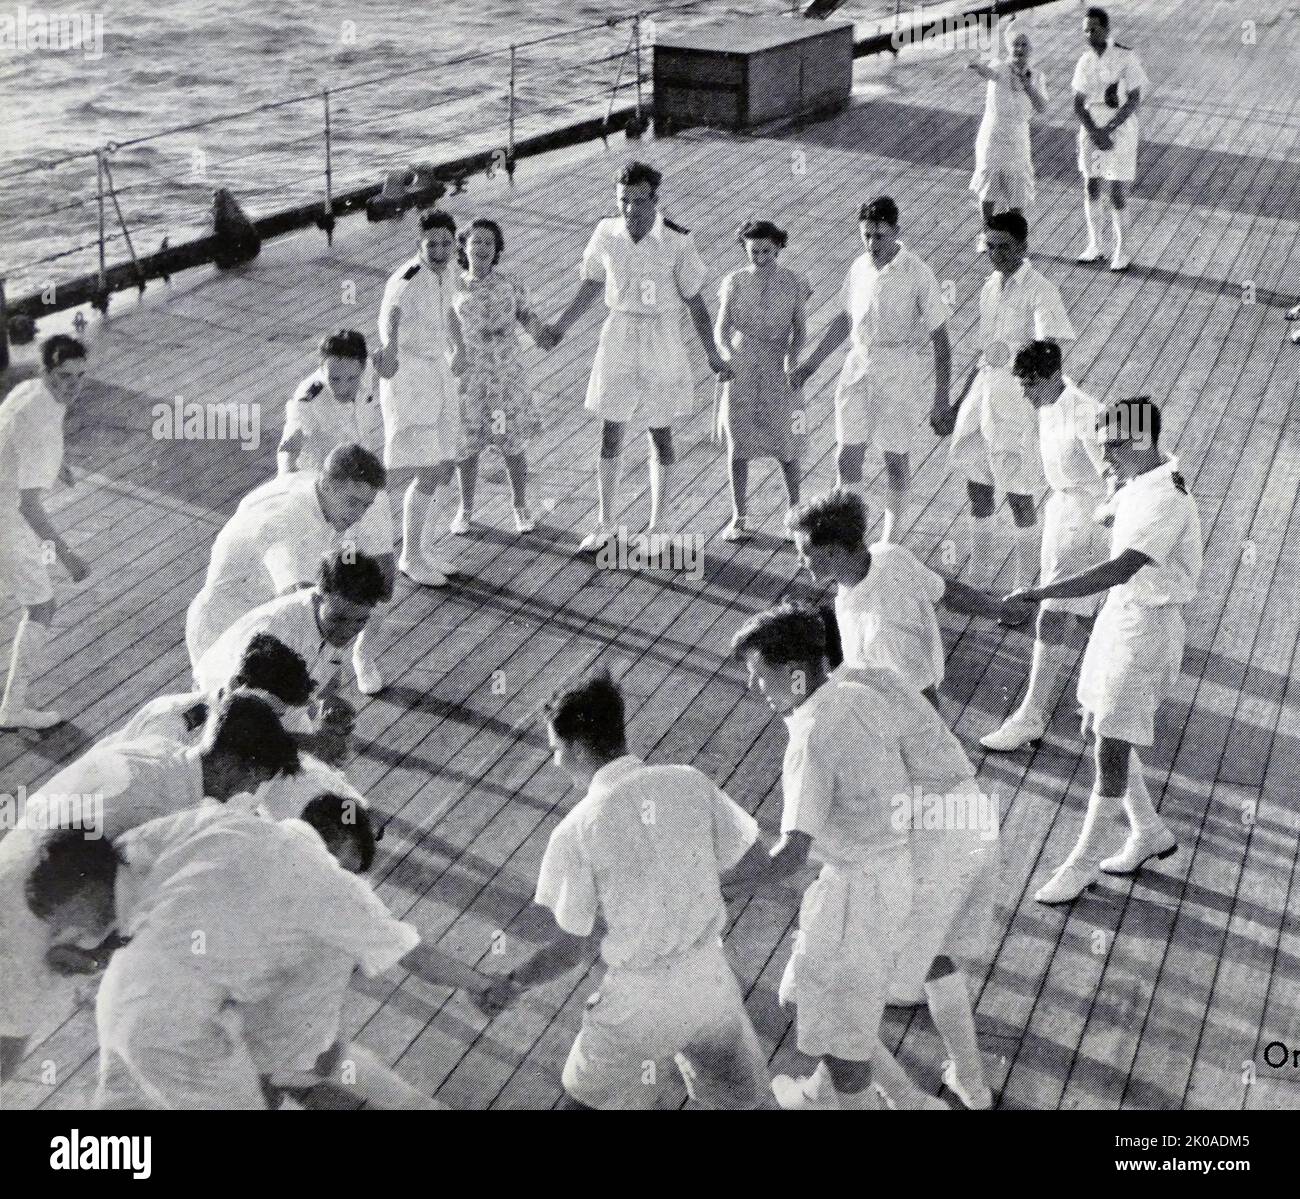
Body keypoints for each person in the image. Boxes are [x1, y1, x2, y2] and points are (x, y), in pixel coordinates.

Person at [473, 671, 770, 1110]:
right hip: (711, 984)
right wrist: (695, 888)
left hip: (637, 1007)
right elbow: (758, 864)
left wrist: (513, 983)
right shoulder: (688, 781)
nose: (555, 762)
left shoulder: (574, 832)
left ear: (575, 747)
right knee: (750, 1106)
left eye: (556, 750)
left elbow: (573, 948)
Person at [94, 798, 494, 1109]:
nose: (353, 875)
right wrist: (482, 985)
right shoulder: (333, 884)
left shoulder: (222, 820)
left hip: (117, 990)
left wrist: (96, 940)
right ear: (340, 842)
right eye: (353, 864)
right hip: (180, 1032)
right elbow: (414, 955)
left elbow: (124, 853)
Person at [0, 693, 300, 1080]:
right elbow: (104, 900)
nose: (244, 792)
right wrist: (88, 955)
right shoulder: (156, 814)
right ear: (227, 763)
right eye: (248, 780)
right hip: (30, 921)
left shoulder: (154, 752)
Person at [723, 602, 926, 1111]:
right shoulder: (860, 695)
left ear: (794, 676)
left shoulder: (810, 739)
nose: (753, 687)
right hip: (894, 874)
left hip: (855, 899)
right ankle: (887, 1096)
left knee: (842, 1039)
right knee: (805, 997)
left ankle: (887, 1103)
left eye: (758, 674)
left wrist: (713, 887)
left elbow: (791, 856)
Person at [1006, 398, 1202, 904]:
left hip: (1147, 630)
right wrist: (1112, 498)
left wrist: (1043, 593)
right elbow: (1107, 515)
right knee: (1098, 727)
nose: (1104, 458)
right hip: (1120, 618)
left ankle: (1080, 864)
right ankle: (1148, 832)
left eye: (1112, 446)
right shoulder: (1143, 479)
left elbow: (1117, 570)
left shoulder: (1168, 500)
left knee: (1109, 747)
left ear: (1138, 441)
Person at [820, 605, 997, 1110]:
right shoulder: (880, 678)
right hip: (972, 819)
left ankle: (913, 1102)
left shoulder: (838, 715)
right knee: (936, 957)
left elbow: (875, 812)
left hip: (928, 847)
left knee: (817, 992)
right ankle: (974, 1085)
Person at [543, 161, 733, 550]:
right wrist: (560, 326)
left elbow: (695, 302)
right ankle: (605, 523)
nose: (630, 209)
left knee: (658, 431)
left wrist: (712, 354)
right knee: (610, 428)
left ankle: (659, 526)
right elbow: (591, 284)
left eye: (639, 201)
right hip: (618, 335)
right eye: (623, 200)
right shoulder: (605, 232)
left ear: (655, 200)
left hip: (661, 336)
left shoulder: (678, 241)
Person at [789, 198, 951, 544]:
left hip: (898, 371)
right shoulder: (858, 267)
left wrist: (941, 400)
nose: (872, 244)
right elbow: (844, 319)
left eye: (879, 236)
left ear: (896, 231)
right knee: (847, 453)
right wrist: (810, 366)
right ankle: (850, 538)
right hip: (857, 367)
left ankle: (891, 540)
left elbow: (941, 339)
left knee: (894, 457)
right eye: (866, 236)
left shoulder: (918, 273)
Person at [787, 488, 1028, 710]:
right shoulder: (888, 555)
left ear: (833, 552)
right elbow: (948, 593)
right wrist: (1005, 610)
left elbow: (925, 705)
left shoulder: (885, 630)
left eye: (804, 552)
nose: (798, 560)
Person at [982, 341, 1111, 751]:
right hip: (1062, 515)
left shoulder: (1088, 413)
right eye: (1022, 384)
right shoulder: (1046, 407)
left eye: (1031, 383)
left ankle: (1031, 716)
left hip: (1086, 525)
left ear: (1054, 375)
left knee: (1052, 616)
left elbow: (1113, 475)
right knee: (1092, 616)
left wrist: (1108, 523)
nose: (1025, 393)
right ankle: (1105, 696)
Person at [186, 443, 394, 694]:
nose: (359, 515)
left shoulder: (326, 497)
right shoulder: (290, 523)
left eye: (366, 505)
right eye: (353, 503)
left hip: (266, 616)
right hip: (225, 627)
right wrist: (329, 668)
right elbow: (300, 603)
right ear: (327, 485)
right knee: (233, 717)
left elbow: (345, 568)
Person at [943, 210, 1075, 590]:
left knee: (1020, 496)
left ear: (1023, 247)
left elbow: (1049, 353)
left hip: (1018, 403)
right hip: (983, 397)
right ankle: (980, 578)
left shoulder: (1042, 290)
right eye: (991, 247)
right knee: (977, 484)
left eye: (1005, 247)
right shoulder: (988, 288)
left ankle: (1023, 589)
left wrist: (1037, 400)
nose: (996, 254)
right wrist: (956, 403)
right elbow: (987, 352)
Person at [0, 335, 90, 729]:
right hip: (7, 520)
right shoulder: (43, 422)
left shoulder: (28, 391)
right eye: (63, 377)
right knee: (41, 606)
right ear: (46, 372)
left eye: (79, 377)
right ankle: (12, 709)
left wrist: (58, 465)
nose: (71, 387)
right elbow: (29, 507)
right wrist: (67, 557)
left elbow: (14, 442)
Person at [448, 217, 554, 536]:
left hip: (505, 374)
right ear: (464, 248)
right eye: (475, 241)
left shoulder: (509, 281)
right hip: (471, 378)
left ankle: (520, 509)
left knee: (510, 442)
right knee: (468, 447)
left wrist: (542, 333)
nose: (481, 247)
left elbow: (526, 314)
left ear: (496, 250)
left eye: (488, 243)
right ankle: (465, 509)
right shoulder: (452, 286)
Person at [377, 208, 464, 587]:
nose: (440, 250)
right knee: (424, 466)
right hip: (410, 374)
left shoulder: (450, 270)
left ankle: (422, 548)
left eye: (446, 242)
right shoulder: (407, 278)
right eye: (432, 244)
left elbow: (450, 312)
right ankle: (409, 556)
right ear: (419, 244)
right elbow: (390, 317)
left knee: (442, 462)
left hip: (438, 369)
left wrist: (458, 346)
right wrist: (391, 351)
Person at [194, 551, 386, 719]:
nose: (347, 631)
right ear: (317, 598)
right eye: (338, 619)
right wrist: (312, 742)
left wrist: (326, 701)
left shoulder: (338, 616)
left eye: (360, 621)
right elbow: (238, 713)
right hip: (221, 704)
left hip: (276, 702)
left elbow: (330, 667)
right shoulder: (276, 634)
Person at [713, 219, 809, 542]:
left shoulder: (795, 282)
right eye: (753, 251)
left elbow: (800, 332)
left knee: (786, 444)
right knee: (738, 444)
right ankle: (739, 515)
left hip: (778, 366)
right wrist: (726, 355)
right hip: (742, 366)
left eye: (766, 251)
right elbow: (722, 328)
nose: (760, 257)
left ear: (779, 247)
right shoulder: (734, 281)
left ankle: (795, 513)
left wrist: (792, 358)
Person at [1072, 6, 1148, 272]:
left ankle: (1122, 251)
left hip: (1122, 130)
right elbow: (1078, 104)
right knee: (1091, 186)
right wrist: (1095, 132)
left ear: (1106, 29)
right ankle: (1095, 245)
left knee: (1117, 193)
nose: (1089, 34)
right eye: (1085, 30)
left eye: (1094, 29)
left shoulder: (1126, 57)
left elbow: (1135, 99)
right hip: (1092, 130)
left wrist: (1110, 128)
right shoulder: (1085, 62)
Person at [968, 20, 1049, 248]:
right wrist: (976, 64)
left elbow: (1042, 107)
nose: (1019, 49)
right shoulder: (1000, 68)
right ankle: (987, 235)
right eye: (1015, 45)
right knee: (989, 191)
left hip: (1017, 137)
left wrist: (1028, 85)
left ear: (1030, 49)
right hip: (993, 135)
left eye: (1024, 45)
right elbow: (987, 72)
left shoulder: (1037, 77)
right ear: (1009, 47)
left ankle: (1016, 239)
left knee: (1017, 192)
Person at [278, 330, 389, 475]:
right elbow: (291, 439)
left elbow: (389, 366)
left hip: (359, 466)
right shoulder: (309, 397)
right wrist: (287, 474)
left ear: (362, 368)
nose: (342, 388)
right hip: (321, 476)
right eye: (334, 379)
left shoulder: (367, 368)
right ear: (322, 369)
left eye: (352, 379)